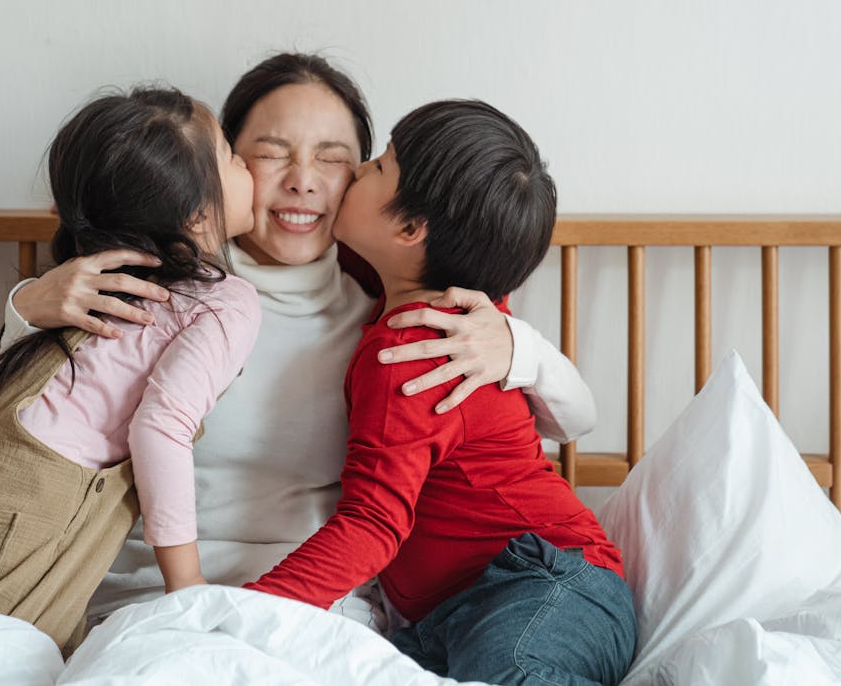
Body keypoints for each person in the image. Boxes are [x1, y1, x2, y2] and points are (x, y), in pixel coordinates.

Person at [1, 53, 597, 626]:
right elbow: (18, 433)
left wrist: (519, 346)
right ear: (222, 166)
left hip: (315, 605)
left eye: (334, 159)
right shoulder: (159, 286)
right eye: (270, 153)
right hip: (151, 594)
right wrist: (27, 308)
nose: (303, 182)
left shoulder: (408, 320)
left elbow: (563, 424)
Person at [246, 99, 636, 685]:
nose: (351, 173)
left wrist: (244, 612)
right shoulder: (450, 290)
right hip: (450, 616)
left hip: (548, 581)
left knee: (515, 672)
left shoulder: (419, 349)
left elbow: (372, 522)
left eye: (376, 166)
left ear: (408, 229)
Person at [0, 86, 261, 655]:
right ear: (195, 213)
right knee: (13, 662)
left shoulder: (86, 284)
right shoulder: (225, 302)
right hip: (18, 525)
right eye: (230, 155)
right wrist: (185, 582)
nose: (247, 163)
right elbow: (160, 427)